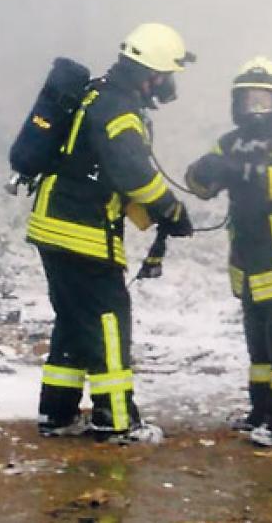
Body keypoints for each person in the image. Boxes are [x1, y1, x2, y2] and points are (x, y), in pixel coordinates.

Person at [26, 22, 194, 444]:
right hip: (81, 232)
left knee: (73, 320)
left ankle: (58, 413)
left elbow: (106, 171)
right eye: (167, 74)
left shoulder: (97, 95)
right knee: (108, 321)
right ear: (152, 73)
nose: (168, 84)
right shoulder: (119, 111)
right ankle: (116, 420)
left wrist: (153, 217)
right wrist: (171, 210)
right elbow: (134, 173)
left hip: (54, 225)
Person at [185, 57, 272, 446]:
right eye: (249, 99)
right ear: (237, 102)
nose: (256, 107)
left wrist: (241, 173)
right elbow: (201, 186)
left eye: (264, 99)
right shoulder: (230, 141)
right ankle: (262, 412)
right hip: (249, 261)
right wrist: (204, 170)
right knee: (259, 346)